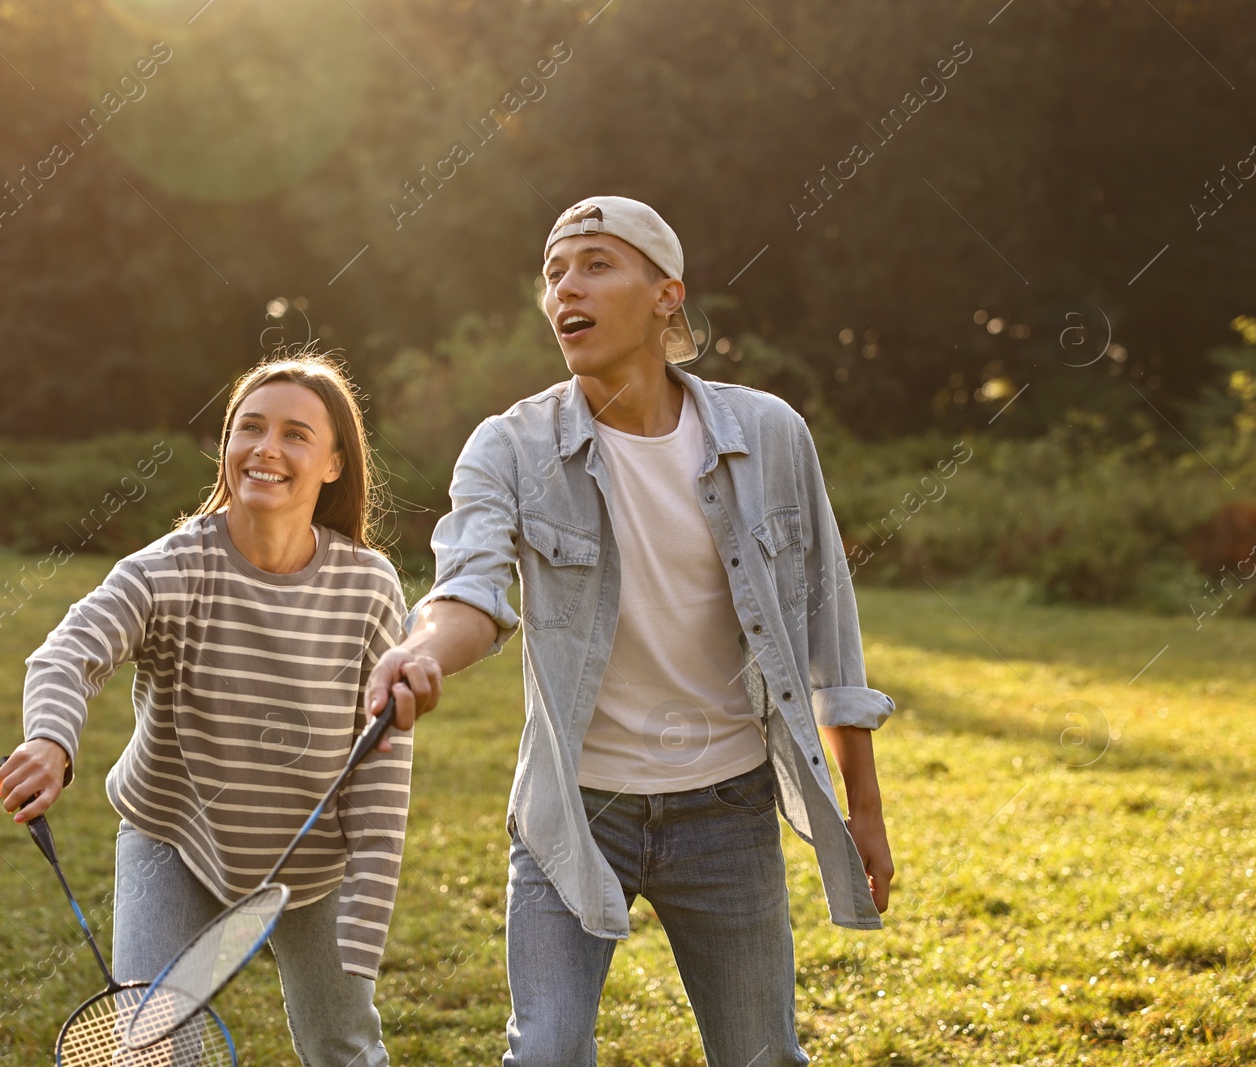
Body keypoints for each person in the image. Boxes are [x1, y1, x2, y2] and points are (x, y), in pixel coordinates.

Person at [366, 196, 896, 1066]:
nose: (564, 287)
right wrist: (420, 651)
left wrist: (863, 808)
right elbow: (468, 590)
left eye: (595, 264)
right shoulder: (510, 446)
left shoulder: (768, 435)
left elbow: (827, 630)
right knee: (545, 1054)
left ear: (666, 295)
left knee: (764, 1055)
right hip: (575, 808)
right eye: (553, 273)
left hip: (727, 808)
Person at [0, 348, 412, 1067]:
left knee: (343, 1046)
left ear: (334, 463)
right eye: (249, 427)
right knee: (152, 1048)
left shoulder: (368, 587)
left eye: (294, 433)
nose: (265, 448)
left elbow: (381, 755)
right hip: (174, 839)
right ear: (226, 445)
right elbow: (67, 653)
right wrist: (51, 742)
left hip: (312, 866)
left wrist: (365, 919)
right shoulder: (171, 567)